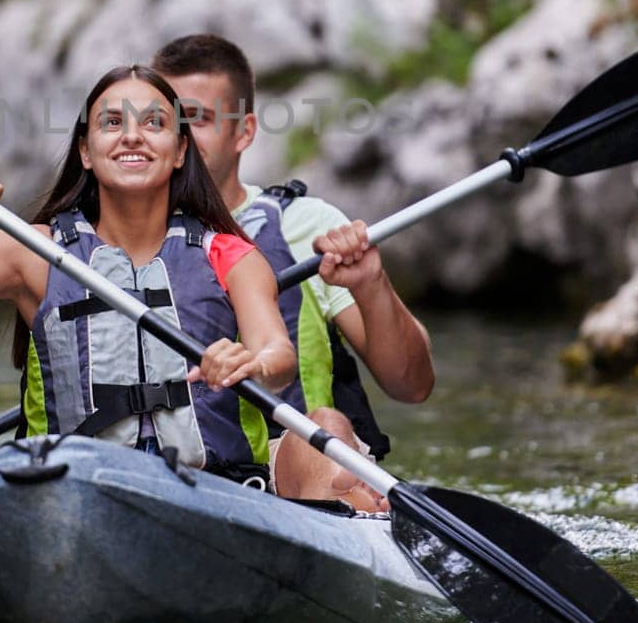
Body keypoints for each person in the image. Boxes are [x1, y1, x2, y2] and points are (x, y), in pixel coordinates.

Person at [0, 64, 296, 475]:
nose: (132, 137)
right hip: (75, 483)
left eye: (154, 123)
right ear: (86, 151)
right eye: (111, 123)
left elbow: (279, 358)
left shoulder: (229, 253)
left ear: (180, 150)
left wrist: (249, 364)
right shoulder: (33, 252)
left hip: (211, 487)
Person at [153, 34, 435, 510]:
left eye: (197, 118)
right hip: (163, 467)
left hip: (295, 472)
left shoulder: (309, 227)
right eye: (164, 118)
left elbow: (412, 385)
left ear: (243, 132)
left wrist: (371, 285)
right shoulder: (106, 239)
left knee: (324, 425)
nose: (179, 133)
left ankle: (350, 500)